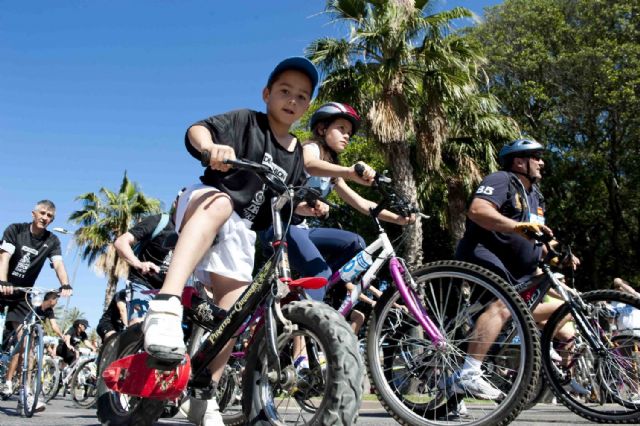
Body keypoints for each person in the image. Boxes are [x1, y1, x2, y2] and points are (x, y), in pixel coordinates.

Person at [142, 56, 324, 425]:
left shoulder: (296, 155)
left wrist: (309, 206)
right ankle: (165, 305)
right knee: (223, 202)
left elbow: (287, 198)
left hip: (242, 232)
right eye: (284, 91)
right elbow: (197, 129)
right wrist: (212, 147)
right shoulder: (247, 120)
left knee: (233, 314)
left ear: (307, 106)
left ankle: (202, 392)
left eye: (302, 96)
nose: (292, 100)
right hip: (206, 203)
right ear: (267, 93)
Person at [262, 102, 414, 337]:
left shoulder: (333, 171)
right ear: (322, 129)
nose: (346, 136)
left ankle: (315, 286)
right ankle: (311, 326)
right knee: (320, 271)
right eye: (341, 129)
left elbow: (362, 203)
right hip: (277, 227)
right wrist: (349, 171)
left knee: (355, 243)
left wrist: (398, 219)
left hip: (301, 230)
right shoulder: (310, 147)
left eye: (349, 133)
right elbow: (310, 165)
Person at [454, 138, 580, 400]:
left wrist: (560, 256)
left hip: (518, 270)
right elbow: (477, 210)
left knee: (518, 313)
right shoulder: (502, 180)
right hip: (483, 255)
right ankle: (469, 375)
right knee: (505, 303)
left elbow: (539, 238)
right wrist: (515, 227)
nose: (542, 162)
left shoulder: (535, 196)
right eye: (537, 157)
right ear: (519, 161)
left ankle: (452, 385)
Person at [0, 200, 73, 409]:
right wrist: (3, 281)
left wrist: (65, 284)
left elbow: (58, 263)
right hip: (2, 285)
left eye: (50, 216)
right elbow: (4, 257)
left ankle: (27, 392)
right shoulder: (16, 230)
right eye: (42, 213)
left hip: (21, 295)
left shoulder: (52, 241)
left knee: (27, 344)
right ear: (33, 213)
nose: (45, 218)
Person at [97, 193, 181, 341]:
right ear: (176, 203)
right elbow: (121, 242)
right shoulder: (159, 221)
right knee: (138, 329)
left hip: (170, 293)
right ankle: (125, 361)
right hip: (143, 285)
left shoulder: (192, 233)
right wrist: (138, 263)